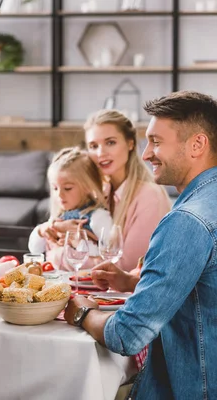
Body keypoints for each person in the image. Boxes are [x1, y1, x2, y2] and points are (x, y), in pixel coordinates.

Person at [65, 90, 217, 398]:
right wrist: (136, 281)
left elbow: (128, 334)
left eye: (157, 142)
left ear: (197, 144)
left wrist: (81, 312)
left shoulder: (186, 221)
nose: (146, 154)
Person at [48, 110, 171, 272]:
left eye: (110, 142)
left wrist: (57, 255)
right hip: (99, 290)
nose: (101, 153)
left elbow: (127, 267)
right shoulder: (101, 192)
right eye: (93, 146)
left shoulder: (150, 197)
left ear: (130, 143)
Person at [29, 147, 113, 269]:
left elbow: (107, 256)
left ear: (87, 187)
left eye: (67, 188)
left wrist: (79, 242)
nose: (59, 195)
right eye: (55, 188)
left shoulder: (98, 217)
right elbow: (35, 250)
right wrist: (42, 231)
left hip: (86, 282)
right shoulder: (58, 218)